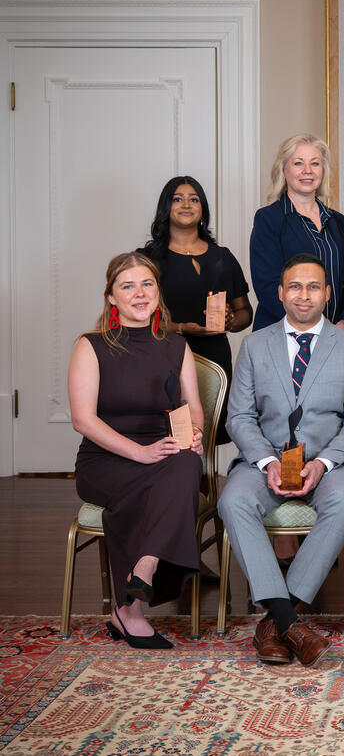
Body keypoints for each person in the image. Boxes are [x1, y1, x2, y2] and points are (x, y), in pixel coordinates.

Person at [218, 253, 344, 667]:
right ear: (280, 293)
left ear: (327, 294)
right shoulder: (254, 345)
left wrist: (323, 464)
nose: (304, 295)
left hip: (331, 463)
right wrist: (267, 462)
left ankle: (274, 623)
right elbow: (239, 417)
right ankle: (289, 621)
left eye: (313, 287)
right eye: (295, 286)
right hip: (265, 461)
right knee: (233, 500)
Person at [67, 252, 203, 649]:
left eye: (147, 284)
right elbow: (83, 420)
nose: (139, 293)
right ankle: (130, 606)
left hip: (162, 452)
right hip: (105, 460)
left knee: (187, 463)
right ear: (111, 297)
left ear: (158, 292)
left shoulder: (177, 346)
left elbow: (193, 408)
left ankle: (142, 572)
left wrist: (194, 434)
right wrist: (138, 453)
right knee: (166, 482)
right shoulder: (91, 346)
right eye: (128, 286)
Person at [140, 176, 252, 443]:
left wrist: (230, 322)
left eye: (194, 199)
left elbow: (246, 312)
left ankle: (205, 473)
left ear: (203, 208)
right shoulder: (148, 259)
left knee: (208, 436)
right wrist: (180, 328)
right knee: (170, 435)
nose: (186, 205)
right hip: (165, 355)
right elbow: (138, 319)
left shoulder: (223, 257)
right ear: (166, 207)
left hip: (215, 358)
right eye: (177, 199)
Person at [250, 133, 344, 332]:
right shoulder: (269, 219)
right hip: (283, 334)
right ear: (284, 170)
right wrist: (315, 327)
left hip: (336, 334)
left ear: (323, 170)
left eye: (315, 163)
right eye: (298, 163)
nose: (308, 170)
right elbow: (267, 287)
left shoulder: (337, 221)